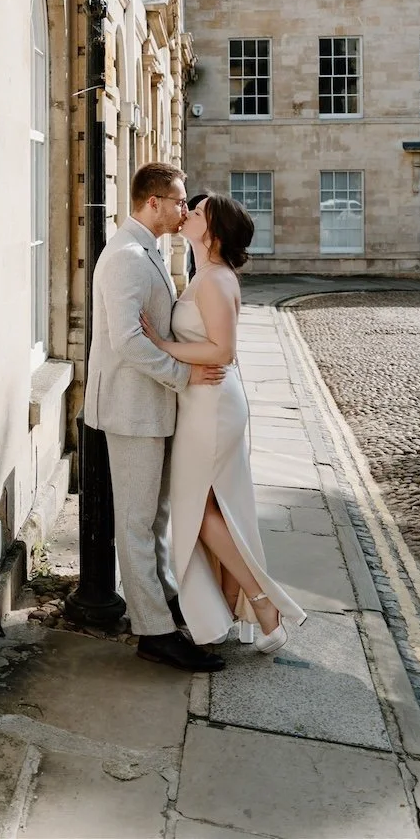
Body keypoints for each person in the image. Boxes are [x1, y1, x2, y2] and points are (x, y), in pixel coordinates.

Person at [141, 195, 306, 652]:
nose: (187, 213)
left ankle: (262, 601)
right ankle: (235, 610)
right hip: (204, 402)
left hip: (211, 405)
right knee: (216, 508)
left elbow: (222, 352)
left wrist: (161, 344)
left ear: (211, 232)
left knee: (200, 509)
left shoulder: (214, 281)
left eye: (197, 212)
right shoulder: (205, 275)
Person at [83, 163, 228, 673]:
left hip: (151, 406)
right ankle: (155, 633)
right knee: (138, 522)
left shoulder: (147, 248)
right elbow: (127, 340)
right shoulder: (124, 256)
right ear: (152, 202)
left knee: (155, 516)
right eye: (178, 201)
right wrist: (183, 376)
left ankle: (164, 601)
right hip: (131, 408)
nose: (185, 210)